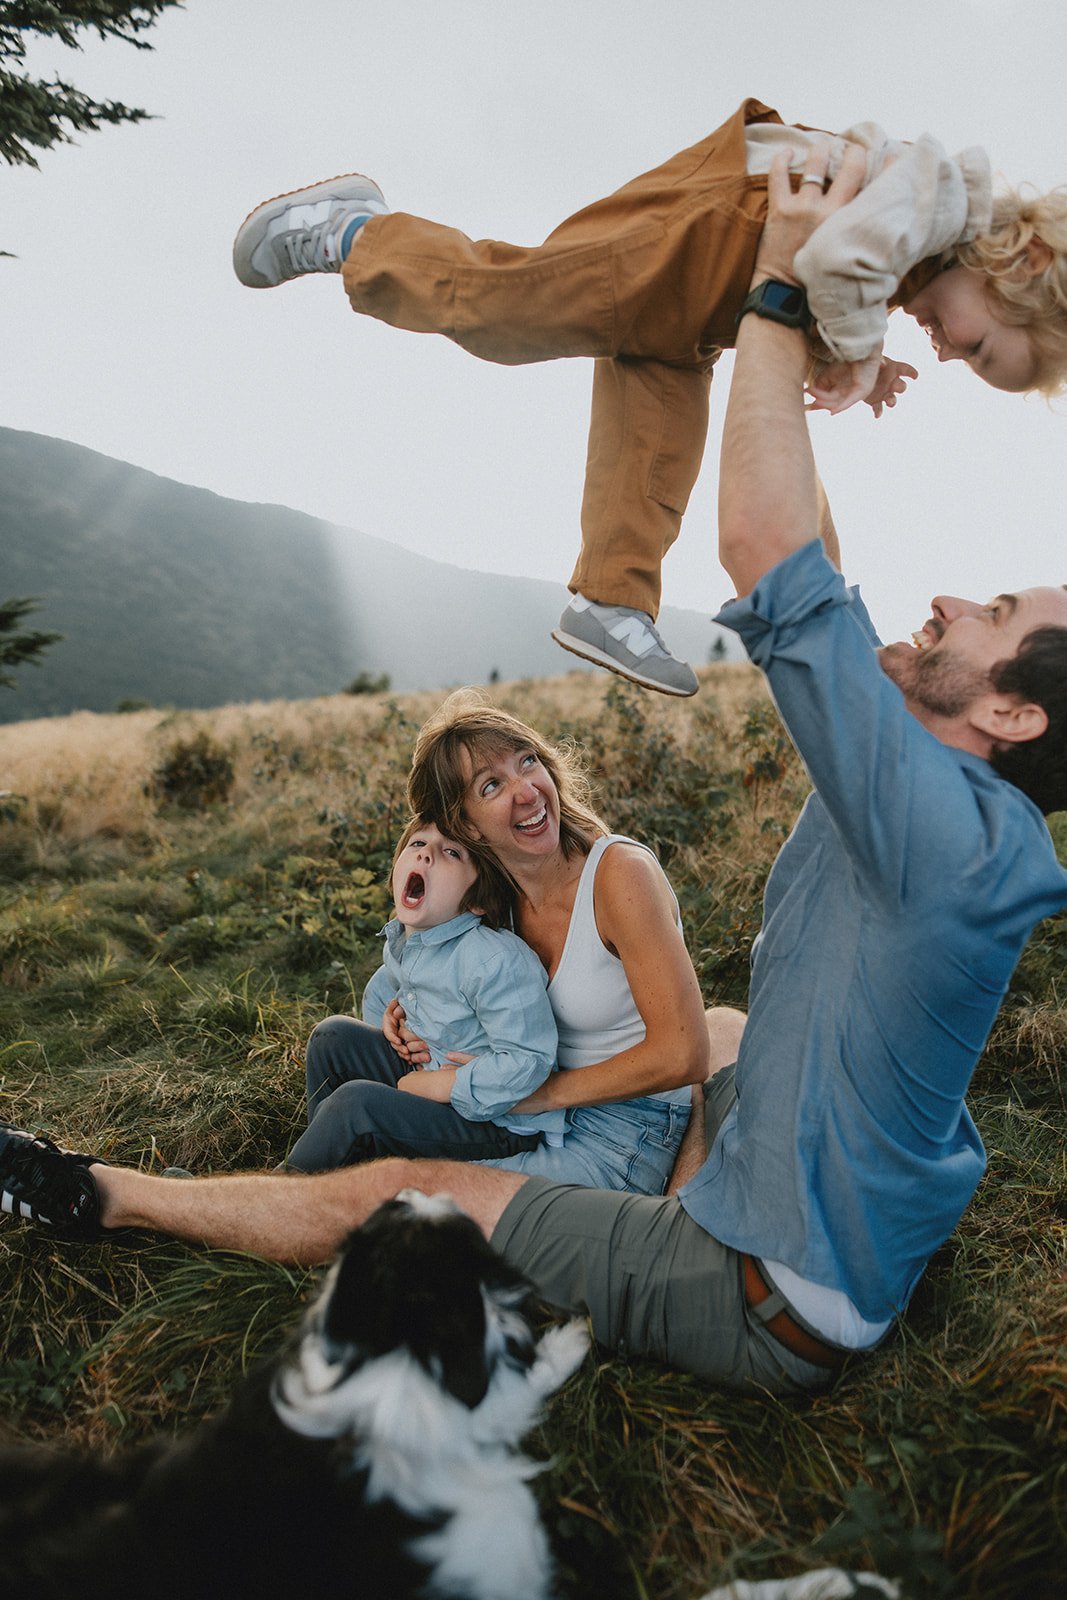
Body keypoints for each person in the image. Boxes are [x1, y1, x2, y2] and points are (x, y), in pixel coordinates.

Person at [5, 139, 1067, 1396]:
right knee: (719, 1023)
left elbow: (768, 551)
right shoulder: (946, 799)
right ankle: (669, 1183)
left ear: (1007, 716)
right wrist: (791, 352)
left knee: (408, 1186)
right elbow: (822, 574)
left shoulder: (931, 828)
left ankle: (87, 1194)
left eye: (991, 611)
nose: (950, 597)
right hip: (837, 1216)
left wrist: (778, 291)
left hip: (774, 1293)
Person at [231, 96, 1067, 696]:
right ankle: (355, 231)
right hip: (708, 223)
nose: (951, 352)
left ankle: (612, 598)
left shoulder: (922, 251)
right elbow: (836, 254)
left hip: (715, 285)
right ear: (1022, 266)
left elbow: (846, 273)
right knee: (508, 312)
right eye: (981, 347)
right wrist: (856, 352)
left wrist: (858, 352)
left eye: (966, 362)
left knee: (663, 420)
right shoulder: (938, 202)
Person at [287, 815, 567, 1172]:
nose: (425, 855)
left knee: (356, 1103)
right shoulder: (408, 940)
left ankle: (280, 1196)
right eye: (417, 843)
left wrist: (441, 1084)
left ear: (476, 901)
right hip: (429, 1071)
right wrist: (395, 1025)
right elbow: (386, 988)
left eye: (451, 852)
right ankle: (330, 1164)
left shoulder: (493, 961)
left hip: (499, 1120)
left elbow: (529, 1063)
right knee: (331, 1037)